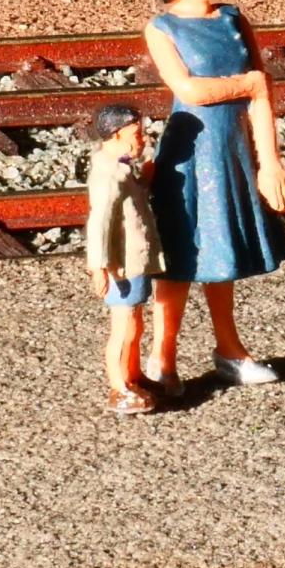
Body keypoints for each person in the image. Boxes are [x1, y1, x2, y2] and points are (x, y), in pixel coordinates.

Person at [142, 0, 285, 397]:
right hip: (189, 156)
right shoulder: (162, 28)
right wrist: (248, 85)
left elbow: (263, 94)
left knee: (220, 252)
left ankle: (230, 349)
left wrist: (270, 163)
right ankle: (161, 358)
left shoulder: (233, 18)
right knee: (180, 259)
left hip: (231, 152)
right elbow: (190, 92)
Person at [84, 102, 164, 416]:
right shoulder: (108, 175)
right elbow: (100, 222)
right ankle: (119, 387)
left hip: (136, 259)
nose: (142, 139)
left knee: (135, 323)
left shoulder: (121, 165)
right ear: (116, 135)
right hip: (122, 265)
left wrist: (145, 175)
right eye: (136, 134)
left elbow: (136, 195)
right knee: (123, 327)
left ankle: (133, 376)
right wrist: (98, 266)